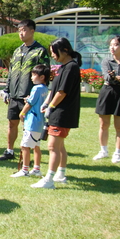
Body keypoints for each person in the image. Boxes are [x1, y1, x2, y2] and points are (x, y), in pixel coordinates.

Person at [32, 38, 82, 189]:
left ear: (65, 50)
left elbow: (62, 92)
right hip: (57, 110)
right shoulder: (63, 67)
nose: (52, 55)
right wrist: (46, 103)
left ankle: (49, 179)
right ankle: (61, 173)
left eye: (54, 51)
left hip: (62, 112)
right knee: (60, 146)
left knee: (53, 146)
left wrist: (51, 106)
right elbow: (54, 90)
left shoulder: (71, 67)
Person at [0, 20, 50, 161]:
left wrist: (38, 94)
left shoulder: (39, 51)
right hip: (14, 95)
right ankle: (9, 151)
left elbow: (45, 73)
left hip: (29, 97)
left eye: (24, 30)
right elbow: (11, 72)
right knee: (12, 123)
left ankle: (28, 154)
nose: (21, 33)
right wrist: (7, 90)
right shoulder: (17, 51)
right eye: (19, 30)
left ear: (32, 31)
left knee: (28, 126)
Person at [93, 36, 120, 164]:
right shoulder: (107, 61)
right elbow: (107, 77)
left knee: (119, 126)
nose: (112, 48)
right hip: (107, 92)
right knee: (103, 124)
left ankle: (117, 152)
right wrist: (115, 78)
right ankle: (103, 151)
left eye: (116, 45)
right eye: (111, 45)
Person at [10, 65, 49, 178]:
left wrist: (22, 113)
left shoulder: (36, 88)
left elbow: (30, 103)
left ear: (42, 77)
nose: (31, 77)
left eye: (33, 75)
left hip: (32, 122)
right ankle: (36, 169)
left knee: (25, 146)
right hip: (39, 122)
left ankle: (25, 169)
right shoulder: (45, 89)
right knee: (36, 146)